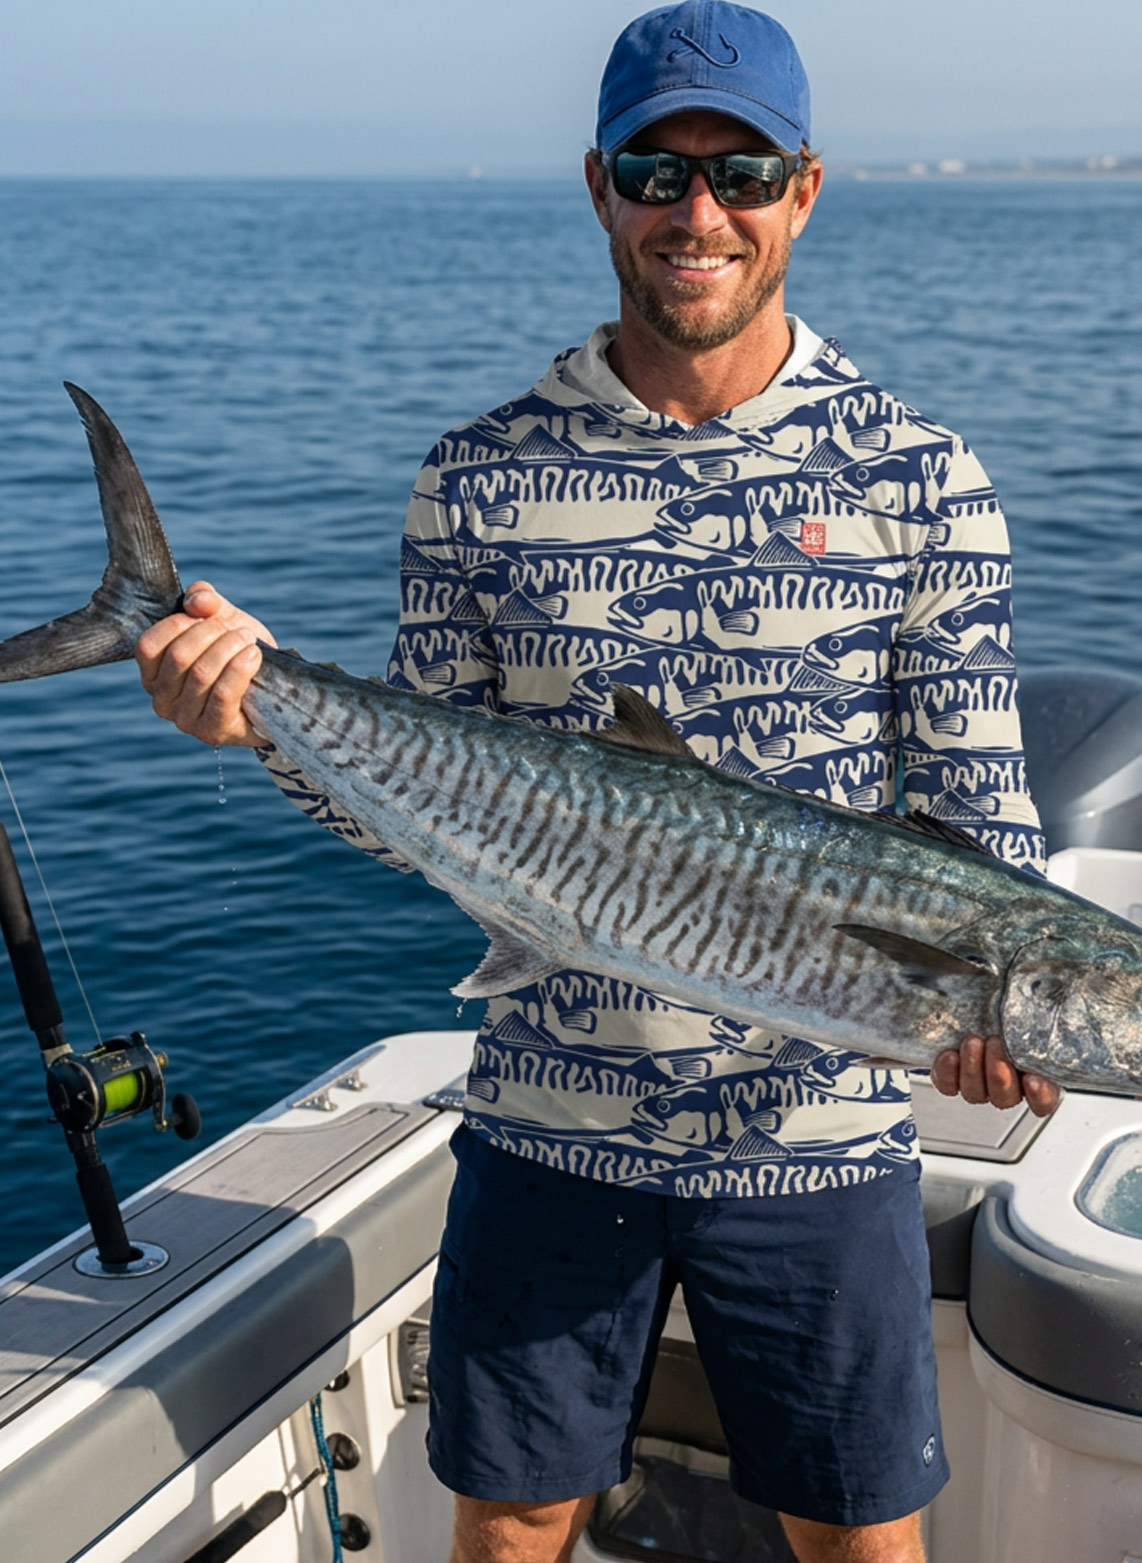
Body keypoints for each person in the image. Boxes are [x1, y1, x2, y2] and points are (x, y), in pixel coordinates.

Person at [135, 5, 1059, 1559]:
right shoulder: (481, 473)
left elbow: (979, 813)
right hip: (546, 1121)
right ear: (598, 188)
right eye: (655, 172)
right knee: (510, 1525)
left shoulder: (915, 472)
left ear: (802, 191)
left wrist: (1008, 1010)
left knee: (857, 1538)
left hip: (818, 1137)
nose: (698, 212)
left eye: (740, 173)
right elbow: (420, 818)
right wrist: (258, 723)